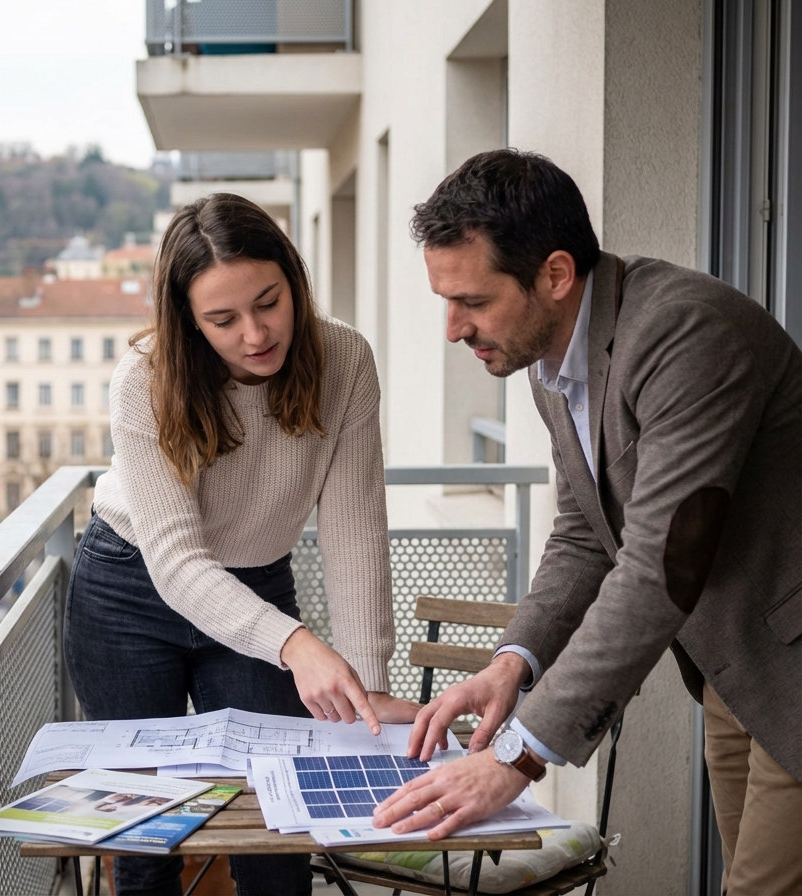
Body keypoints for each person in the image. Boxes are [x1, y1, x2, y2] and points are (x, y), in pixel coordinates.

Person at [371, 149, 802, 896]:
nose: (452, 328)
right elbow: (585, 534)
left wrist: (518, 756)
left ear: (555, 274)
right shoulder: (550, 359)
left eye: (472, 300)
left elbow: (659, 562)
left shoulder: (686, 333)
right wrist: (512, 664)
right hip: (734, 671)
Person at [65, 192, 417, 896]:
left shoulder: (345, 360)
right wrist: (299, 645)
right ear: (188, 321)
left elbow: (354, 527)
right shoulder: (144, 381)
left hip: (256, 584)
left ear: (294, 280)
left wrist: (369, 683)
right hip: (131, 591)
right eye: (223, 320)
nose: (255, 334)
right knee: (146, 837)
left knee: (280, 831)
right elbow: (178, 564)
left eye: (269, 303)